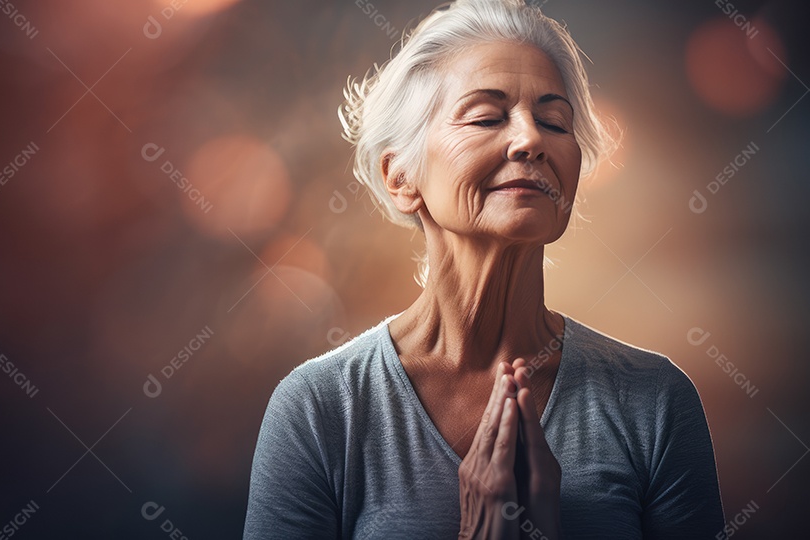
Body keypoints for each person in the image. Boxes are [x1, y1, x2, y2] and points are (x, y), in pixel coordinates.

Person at [243, 0, 724, 538]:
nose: (531, 140)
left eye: (554, 121)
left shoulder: (656, 402)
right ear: (401, 177)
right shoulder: (319, 410)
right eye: (486, 118)